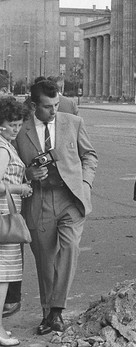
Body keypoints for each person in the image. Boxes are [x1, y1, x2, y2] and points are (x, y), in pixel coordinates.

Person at [15, 80, 97, 335]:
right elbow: (12, 169)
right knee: (45, 260)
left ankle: (57, 310)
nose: (54, 111)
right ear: (33, 105)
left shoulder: (73, 122)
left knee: (70, 248)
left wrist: (84, 184)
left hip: (70, 198)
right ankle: (47, 313)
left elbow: (90, 156)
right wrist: (28, 173)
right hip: (39, 199)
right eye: (48, 107)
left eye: (57, 105)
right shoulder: (20, 131)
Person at [0, 98, 33, 346]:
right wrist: (20, 188)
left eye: (19, 124)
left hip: (5, 216)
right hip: (4, 219)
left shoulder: (5, 145)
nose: (16, 129)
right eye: (11, 124)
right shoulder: (2, 149)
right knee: (3, 275)